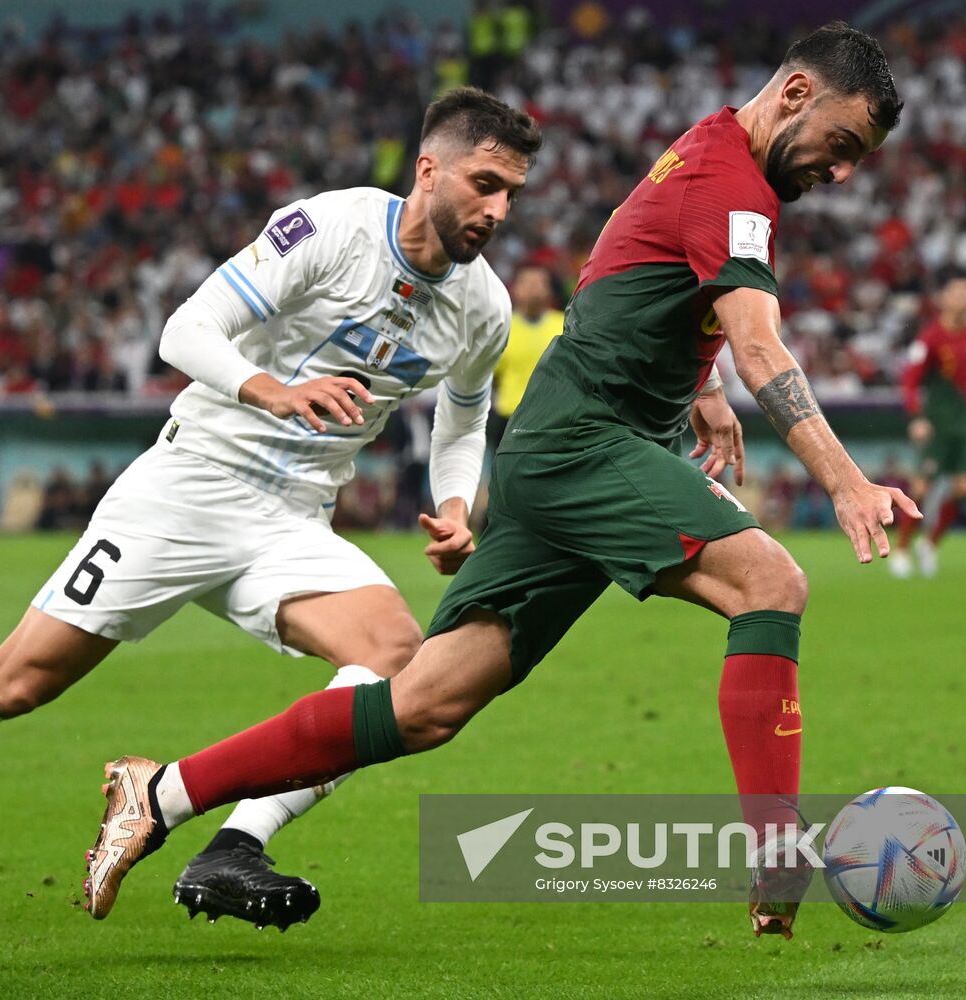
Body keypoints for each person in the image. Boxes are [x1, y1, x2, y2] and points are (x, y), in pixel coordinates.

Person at [79, 21, 917, 943]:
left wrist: (700, 384)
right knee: (771, 584)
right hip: (585, 444)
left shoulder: (712, 153)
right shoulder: (728, 182)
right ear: (796, 94)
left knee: (424, 705)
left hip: (572, 444)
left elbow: (621, 265)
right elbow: (762, 345)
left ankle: (163, 791)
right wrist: (847, 482)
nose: (843, 172)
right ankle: (777, 849)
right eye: (843, 144)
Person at [0, 87, 544, 937]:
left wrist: (454, 505)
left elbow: (463, 417)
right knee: (16, 681)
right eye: (484, 184)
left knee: (398, 668)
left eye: (512, 194)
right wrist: (273, 390)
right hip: (187, 488)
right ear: (428, 169)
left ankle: (233, 846)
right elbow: (185, 330)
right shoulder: (332, 229)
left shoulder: (482, 307)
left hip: (293, 519)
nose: (498, 210)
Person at [891, 276, 966, 578]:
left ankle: (930, 544)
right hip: (937, 423)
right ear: (944, 300)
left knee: (965, 487)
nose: (965, 297)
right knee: (922, 487)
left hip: (965, 423)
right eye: (958, 292)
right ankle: (901, 549)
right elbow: (910, 380)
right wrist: (916, 416)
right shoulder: (930, 338)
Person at [488, 264, 563, 448]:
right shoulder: (501, 328)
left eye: (540, 283)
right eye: (528, 283)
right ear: (515, 289)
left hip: (553, 418)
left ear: (549, 290)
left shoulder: (564, 324)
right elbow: (491, 376)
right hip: (510, 417)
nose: (534, 289)